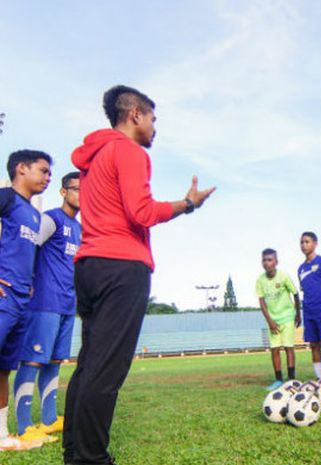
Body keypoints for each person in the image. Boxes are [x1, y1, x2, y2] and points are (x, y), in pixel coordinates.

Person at [64, 85, 215, 465]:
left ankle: (75, 452)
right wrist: (188, 204)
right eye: (153, 118)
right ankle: (91, 458)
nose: (155, 127)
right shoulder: (128, 150)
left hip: (89, 265)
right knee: (106, 369)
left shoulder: (94, 157)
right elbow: (142, 212)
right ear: (135, 115)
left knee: (89, 364)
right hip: (121, 266)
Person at [14, 172, 82, 447]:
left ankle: (50, 419)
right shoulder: (50, 219)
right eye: (77, 189)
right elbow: (26, 248)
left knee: (54, 362)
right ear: (63, 192)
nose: (82, 194)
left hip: (67, 304)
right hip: (44, 302)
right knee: (33, 360)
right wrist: (26, 282)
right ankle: (23, 425)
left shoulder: (78, 228)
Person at [0, 150, 52, 451]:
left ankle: (2, 435)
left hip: (21, 301)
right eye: (43, 171)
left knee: (4, 369)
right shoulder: (6, 198)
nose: (47, 178)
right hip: (4, 298)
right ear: (21, 168)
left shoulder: (34, 214)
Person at [256, 248, 301, 390]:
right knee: (274, 349)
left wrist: (298, 314)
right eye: (264, 260)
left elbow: (295, 294)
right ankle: (278, 380)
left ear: (276, 262)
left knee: (289, 347)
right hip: (273, 320)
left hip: (287, 317)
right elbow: (262, 303)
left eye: (269, 260)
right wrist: (270, 321)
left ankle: (291, 379)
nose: (267, 263)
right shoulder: (260, 280)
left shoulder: (284, 276)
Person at [298, 232, 321, 380]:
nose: (304, 245)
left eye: (307, 242)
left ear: (315, 244)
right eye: (302, 242)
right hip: (308, 312)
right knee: (314, 345)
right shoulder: (300, 268)